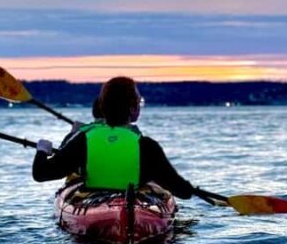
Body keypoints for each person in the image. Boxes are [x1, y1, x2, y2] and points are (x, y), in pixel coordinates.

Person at [32, 76, 195, 199]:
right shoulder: (146, 145)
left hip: (94, 201)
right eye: (139, 103)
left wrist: (42, 150)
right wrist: (190, 188)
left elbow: (40, 174)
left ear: (102, 107)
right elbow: (183, 192)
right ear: (132, 110)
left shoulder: (83, 139)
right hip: (134, 202)